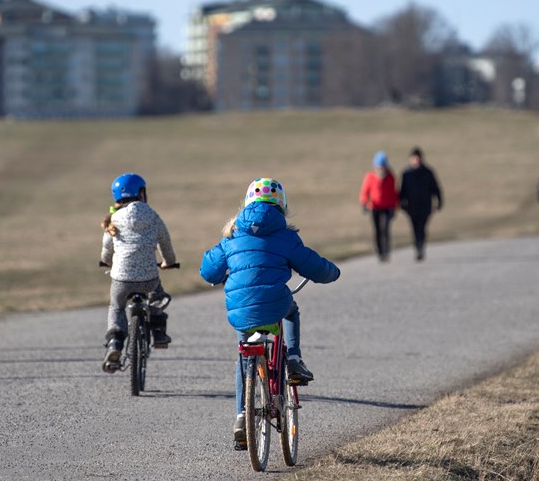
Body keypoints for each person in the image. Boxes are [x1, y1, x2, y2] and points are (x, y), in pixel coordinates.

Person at [200, 178, 340, 448]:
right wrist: (333, 272)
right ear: (282, 205)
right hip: (275, 303)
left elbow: (208, 270)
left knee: (244, 355)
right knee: (291, 311)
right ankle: (295, 360)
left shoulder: (232, 235)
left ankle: (242, 415)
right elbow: (315, 267)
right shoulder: (286, 236)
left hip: (240, 310)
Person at [99, 173, 177, 373]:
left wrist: (107, 261)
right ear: (142, 193)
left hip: (121, 279)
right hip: (148, 278)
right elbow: (165, 242)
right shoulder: (152, 215)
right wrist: (169, 262)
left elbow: (107, 246)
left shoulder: (114, 218)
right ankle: (158, 333)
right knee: (157, 297)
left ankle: (115, 343)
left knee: (116, 307)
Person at [399, 147, 443, 261]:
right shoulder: (406, 173)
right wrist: (401, 203)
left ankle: (421, 246)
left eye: (418, 158)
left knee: (422, 227)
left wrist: (439, 202)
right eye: (414, 158)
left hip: (425, 205)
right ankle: (418, 247)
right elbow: (402, 190)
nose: (416, 160)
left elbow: (435, 188)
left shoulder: (428, 172)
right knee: (414, 228)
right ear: (411, 159)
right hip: (412, 206)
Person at [359, 151, 398, 262]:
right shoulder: (370, 177)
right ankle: (380, 252)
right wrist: (363, 203)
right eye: (378, 167)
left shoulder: (390, 177)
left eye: (382, 167)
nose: (380, 169)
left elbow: (393, 193)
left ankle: (386, 251)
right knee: (377, 230)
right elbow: (364, 191)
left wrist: (394, 207)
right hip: (374, 208)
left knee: (385, 229)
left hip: (386, 208)